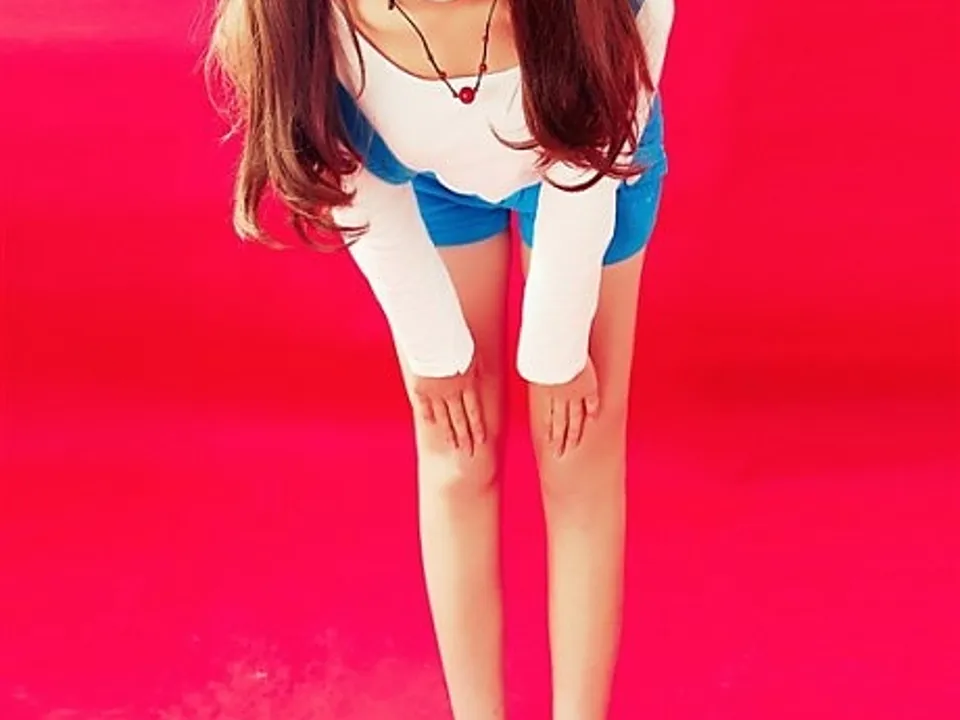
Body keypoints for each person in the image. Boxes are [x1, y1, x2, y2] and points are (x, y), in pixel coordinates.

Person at [207, 0, 675, 717]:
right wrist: (434, 349)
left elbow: (593, 160)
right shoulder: (294, 19)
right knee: (458, 452)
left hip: (591, 159)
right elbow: (348, 180)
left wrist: (556, 350)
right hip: (424, 173)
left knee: (578, 448)